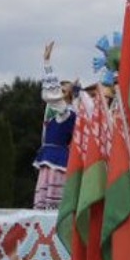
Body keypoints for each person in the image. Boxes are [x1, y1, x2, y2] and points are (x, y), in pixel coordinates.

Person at [33, 41, 79, 209]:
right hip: (51, 155)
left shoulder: (66, 111)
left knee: (52, 200)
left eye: (63, 90)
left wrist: (47, 63)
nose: (59, 92)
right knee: (46, 199)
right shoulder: (62, 110)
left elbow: (51, 94)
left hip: (57, 158)